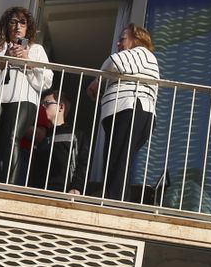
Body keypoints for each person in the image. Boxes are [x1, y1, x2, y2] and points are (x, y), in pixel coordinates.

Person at [0, 6, 53, 185]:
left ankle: (7, 186)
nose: (18, 26)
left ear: (28, 28)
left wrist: (28, 61)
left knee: (12, 137)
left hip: (22, 98)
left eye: (23, 22)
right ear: (5, 26)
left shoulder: (36, 49)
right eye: (13, 22)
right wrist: (2, 61)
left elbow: (46, 81)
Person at [87, 25, 160, 201]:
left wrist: (99, 78)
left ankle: (115, 199)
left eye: (122, 39)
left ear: (137, 39)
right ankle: (113, 196)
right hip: (128, 109)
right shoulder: (137, 58)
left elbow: (114, 62)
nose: (118, 43)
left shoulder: (142, 52)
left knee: (119, 159)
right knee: (117, 158)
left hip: (132, 107)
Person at [28, 89, 85, 194]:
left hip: (63, 191)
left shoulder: (74, 134)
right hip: (37, 192)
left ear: (61, 107)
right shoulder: (41, 135)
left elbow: (83, 163)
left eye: (46, 103)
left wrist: (76, 187)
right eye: (40, 104)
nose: (42, 107)